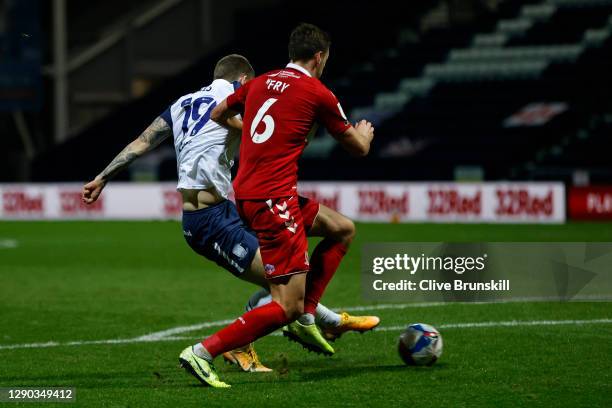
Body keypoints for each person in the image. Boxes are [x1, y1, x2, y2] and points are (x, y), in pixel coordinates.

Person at [81, 53, 378, 386]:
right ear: (242, 82)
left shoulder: (183, 103)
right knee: (284, 288)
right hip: (210, 223)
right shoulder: (240, 99)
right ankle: (320, 322)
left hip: (221, 211)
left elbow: (142, 142)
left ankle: (309, 323)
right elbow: (268, 133)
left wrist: (102, 176)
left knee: (286, 278)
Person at [181, 23, 375, 387]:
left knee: (342, 229)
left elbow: (218, 113)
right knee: (285, 305)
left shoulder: (262, 81)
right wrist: (364, 134)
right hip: (273, 199)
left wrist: (251, 127)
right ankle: (203, 351)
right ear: (319, 56)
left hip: (251, 193)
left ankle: (308, 316)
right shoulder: (318, 92)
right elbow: (359, 148)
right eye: (326, 57)